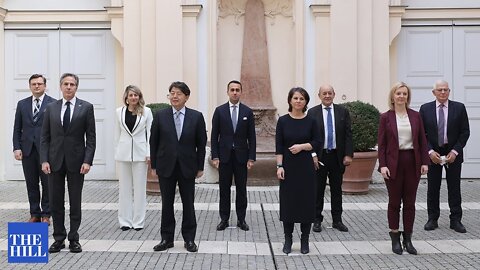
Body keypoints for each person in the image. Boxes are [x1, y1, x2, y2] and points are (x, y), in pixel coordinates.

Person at [40, 73, 96, 253]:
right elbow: (44, 137)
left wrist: (88, 161)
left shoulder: (86, 107)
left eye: (72, 84)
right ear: (60, 86)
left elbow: (91, 138)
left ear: (76, 87)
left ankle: (73, 238)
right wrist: (44, 160)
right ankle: (58, 238)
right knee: (56, 202)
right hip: (54, 162)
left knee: (75, 201)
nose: (69, 87)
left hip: (77, 162)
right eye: (66, 84)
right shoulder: (51, 108)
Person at [150, 81, 207, 253]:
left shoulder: (196, 117)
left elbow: (201, 144)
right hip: (166, 166)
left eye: (178, 93)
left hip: (188, 166)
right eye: (172, 93)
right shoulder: (160, 116)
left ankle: (189, 239)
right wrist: (154, 165)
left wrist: (200, 166)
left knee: (188, 203)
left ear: (186, 97)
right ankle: (166, 238)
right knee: (166, 204)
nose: (174, 96)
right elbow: (154, 142)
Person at [378, 82, 429, 255]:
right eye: (398, 93)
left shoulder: (415, 116)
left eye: (404, 94)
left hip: (411, 161)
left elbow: (422, 141)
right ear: (393, 96)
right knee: (394, 203)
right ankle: (394, 237)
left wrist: (424, 162)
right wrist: (383, 165)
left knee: (410, 203)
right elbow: (382, 145)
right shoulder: (386, 117)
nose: (401, 96)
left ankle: (408, 239)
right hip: (393, 163)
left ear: (408, 97)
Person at [419, 80, 470, 233]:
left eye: (445, 90)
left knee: (454, 188)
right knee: (433, 188)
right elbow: (421, 134)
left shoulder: (459, 108)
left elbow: (465, 132)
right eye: (440, 90)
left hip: (452, 153)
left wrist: (455, 151)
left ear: (449, 91)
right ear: (433, 92)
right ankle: (432, 219)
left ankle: (455, 220)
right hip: (433, 153)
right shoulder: (425, 109)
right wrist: (429, 152)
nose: (443, 92)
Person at [275, 87, 321, 254]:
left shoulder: (311, 121)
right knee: (289, 204)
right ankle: (288, 239)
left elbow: (317, 142)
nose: (298, 101)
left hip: (306, 167)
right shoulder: (283, 121)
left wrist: (302, 147)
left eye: (302, 98)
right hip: (288, 167)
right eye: (295, 98)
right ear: (290, 100)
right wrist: (279, 166)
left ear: (306, 102)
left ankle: (305, 240)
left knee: (306, 203)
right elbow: (279, 146)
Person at [211, 80, 256, 231]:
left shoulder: (247, 112)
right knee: (224, 190)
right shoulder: (219, 111)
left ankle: (241, 219)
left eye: (237, 90)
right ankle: (224, 219)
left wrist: (251, 157)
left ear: (241, 92)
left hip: (241, 158)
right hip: (224, 158)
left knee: (241, 190)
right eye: (232, 89)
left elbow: (252, 137)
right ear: (228, 92)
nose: (235, 92)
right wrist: (215, 156)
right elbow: (214, 135)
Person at [307, 84, 352, 233]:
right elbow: (309, 136)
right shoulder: (312, 113)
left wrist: (348, 154)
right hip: (319, 157)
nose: (327, 96)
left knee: (336, 190)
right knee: (317, 190)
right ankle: (316, 220)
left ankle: (337, 220)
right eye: (324, 93)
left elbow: (347, 135)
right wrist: (313, 155)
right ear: (319, 95)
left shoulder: (342, 112)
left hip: (337, 156)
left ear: (334, 94)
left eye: (330, 93)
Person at [13, 74, 56, 225]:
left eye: (39, 84)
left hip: (46, 152)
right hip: (27, 151)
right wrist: (16, 147)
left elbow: (56, 131)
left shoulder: (53, 104)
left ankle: (46, 214)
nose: (36, 86)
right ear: (30, 86)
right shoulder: (22, 104)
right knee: (31, 184)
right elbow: (17, 128)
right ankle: (35, 213)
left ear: (45, 85)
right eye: (33, 84)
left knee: (47, 184)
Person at [115, 85, 153, 231]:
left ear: (139, 97)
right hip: (123, 154)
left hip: (141, 155)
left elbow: (150, 134)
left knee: (139, 189)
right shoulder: (119, 112)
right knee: (124, 189)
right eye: (131, 95)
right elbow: (116, 134)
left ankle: (138, 222)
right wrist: (116, 153)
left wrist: (149, 153)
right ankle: (124, 221)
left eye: (136, 95)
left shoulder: (147, 112)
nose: (133, 98)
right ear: (126, 97)